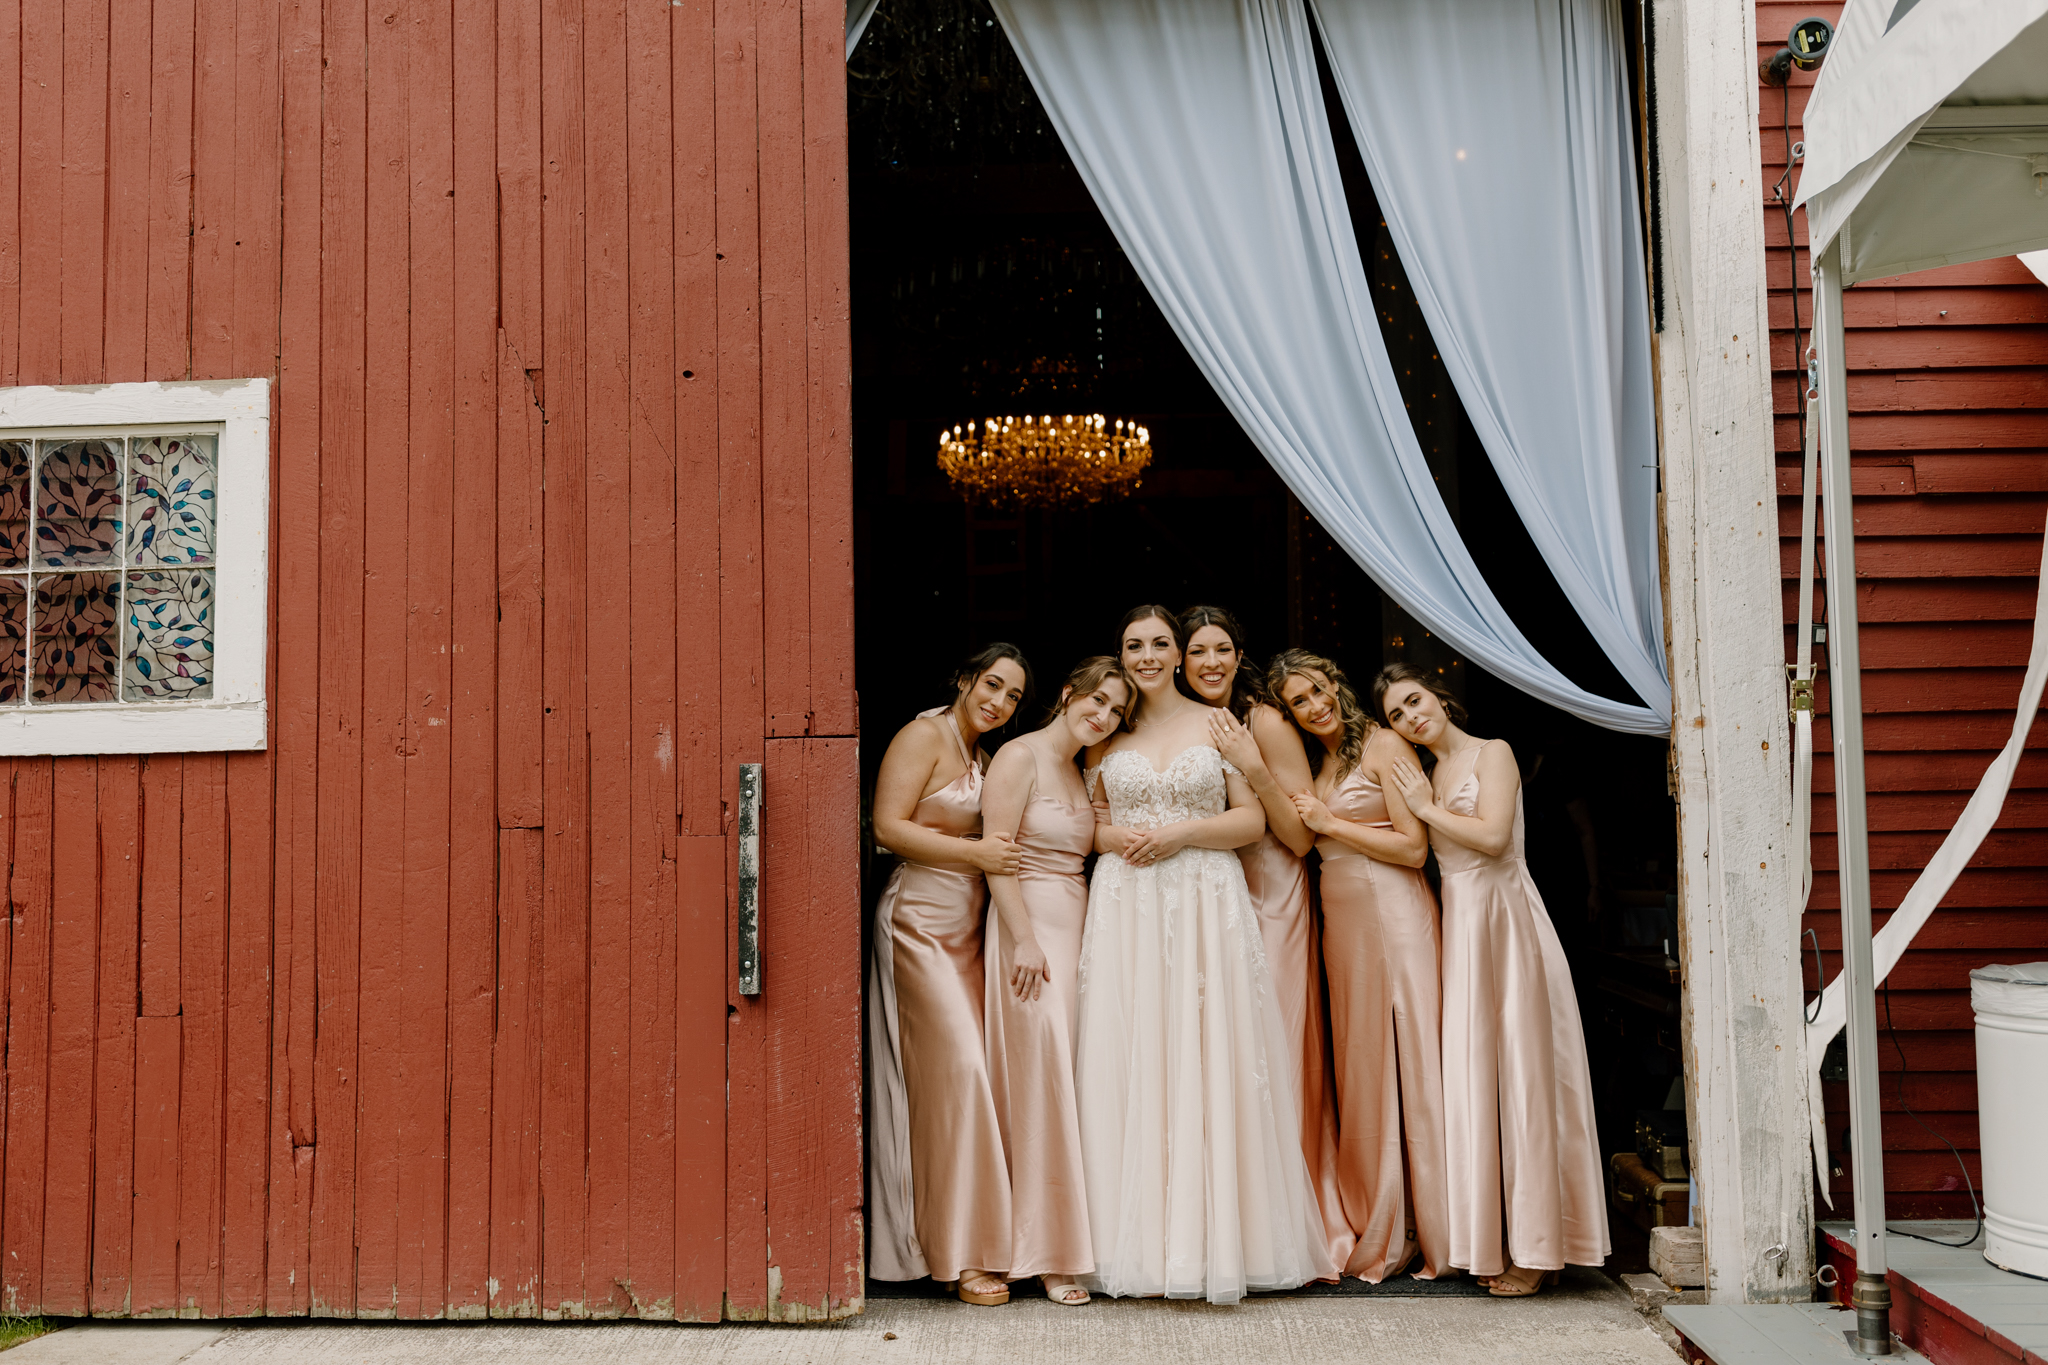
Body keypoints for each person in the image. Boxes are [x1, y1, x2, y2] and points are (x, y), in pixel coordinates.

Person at [1073, 605, 1336, 1303]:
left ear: (1178, 655)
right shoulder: (1107, 730)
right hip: (1128, 900)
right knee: (1134, 1053)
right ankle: (1129, 1243)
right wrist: (1117, 840)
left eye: (1161, 643)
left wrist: (1182, 833)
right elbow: (1087, 824)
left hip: (1204, 894)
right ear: (1121, 654)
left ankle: (1215, 1243)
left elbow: (1250, 821)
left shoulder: (1217, 724)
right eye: (1135, 644)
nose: (1148, 656)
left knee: (1207, 1051)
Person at [1374, 663, 1609, 1297]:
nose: (1411, 717)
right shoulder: (1424, 774)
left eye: (1414, 700)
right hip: (1462, 930)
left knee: (1527, 1080)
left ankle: (1540, 1249)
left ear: (1438, 696)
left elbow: (1495, 837)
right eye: (1396, 714)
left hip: (1507, 923)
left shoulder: (1492, 753)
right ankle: (1494, 1239)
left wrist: (1426, 809)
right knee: (1478, 1085)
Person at [1271, 650, 1450, 1283]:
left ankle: (1433, 1227)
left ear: (1336, 684)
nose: (1315, 706)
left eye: (1318, 691)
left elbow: (1414, 847)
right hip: (1342, 924)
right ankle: (1378, 1212)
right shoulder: (1319, 763)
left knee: (1409, 1059)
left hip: (1392, 912)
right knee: (1363, 1066)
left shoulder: (1384, 745)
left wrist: (1330, 825)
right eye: (1299, 701)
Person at [1185, 607, 1352, 1274]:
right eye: (1199, 651)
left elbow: (1303, 836)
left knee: (1274, 1048)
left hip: (1273, 894)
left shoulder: (1265, 720)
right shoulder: (1179, 720)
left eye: (1222, 649)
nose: (1211, 663)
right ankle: (1225, 1221)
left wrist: (1253, 766)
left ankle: (1287, 1220)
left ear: (1238, 655)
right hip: (1209, 897)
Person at [866, 644, 1032, 1305]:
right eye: (992, 684)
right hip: (917, 922)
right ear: (965, 679)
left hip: (967, 931)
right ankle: (961, 1256)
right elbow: (886, 827)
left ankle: (961, 1236)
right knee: (960, 1070)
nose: (999, 701)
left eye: (1013, 695)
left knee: (968, 1077)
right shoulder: (924, 735)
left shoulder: (984, 756)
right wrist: (977, 853)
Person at [980, 657, 1135, 1306]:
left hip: (1076, 925)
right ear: (1070, 693)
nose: (1103, 715)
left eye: (1116, 711)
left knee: (1068, 1079)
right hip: (1028, 928)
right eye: (1097, 700)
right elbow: (997, 854)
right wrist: (1021, 938)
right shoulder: (1018, 756)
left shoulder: (1081, 768)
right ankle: (1040, 1253)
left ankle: (1065, 1238)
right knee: (1037, 1080)